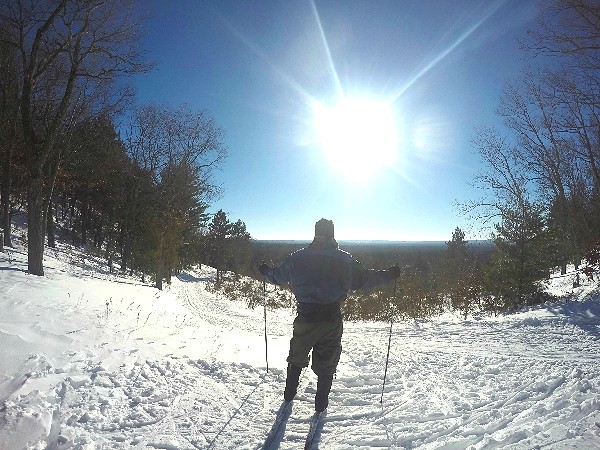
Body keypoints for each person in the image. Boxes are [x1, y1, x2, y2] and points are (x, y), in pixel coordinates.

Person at [259, 218, 400, 412]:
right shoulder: (344, 259)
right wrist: (389, 274)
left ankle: (289, 394)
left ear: (315, 234)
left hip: (305, 317)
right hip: (331, 318)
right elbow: (366, 278)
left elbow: (278, 276)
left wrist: (266, 271)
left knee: (297, 356)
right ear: (332, 235)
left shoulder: (298, 257)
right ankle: (320, 405)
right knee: (327, 362)